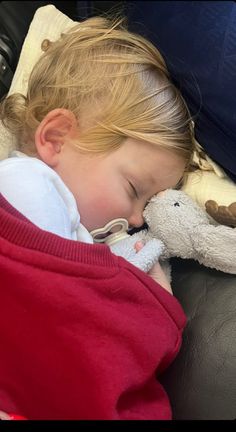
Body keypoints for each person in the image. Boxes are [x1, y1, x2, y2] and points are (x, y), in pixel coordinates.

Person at [0, 14, 194, 420]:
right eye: (133, 190)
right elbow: (61, 304)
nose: (138, 218)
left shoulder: (77, 227)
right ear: (56, 139)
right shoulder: (25, 182)